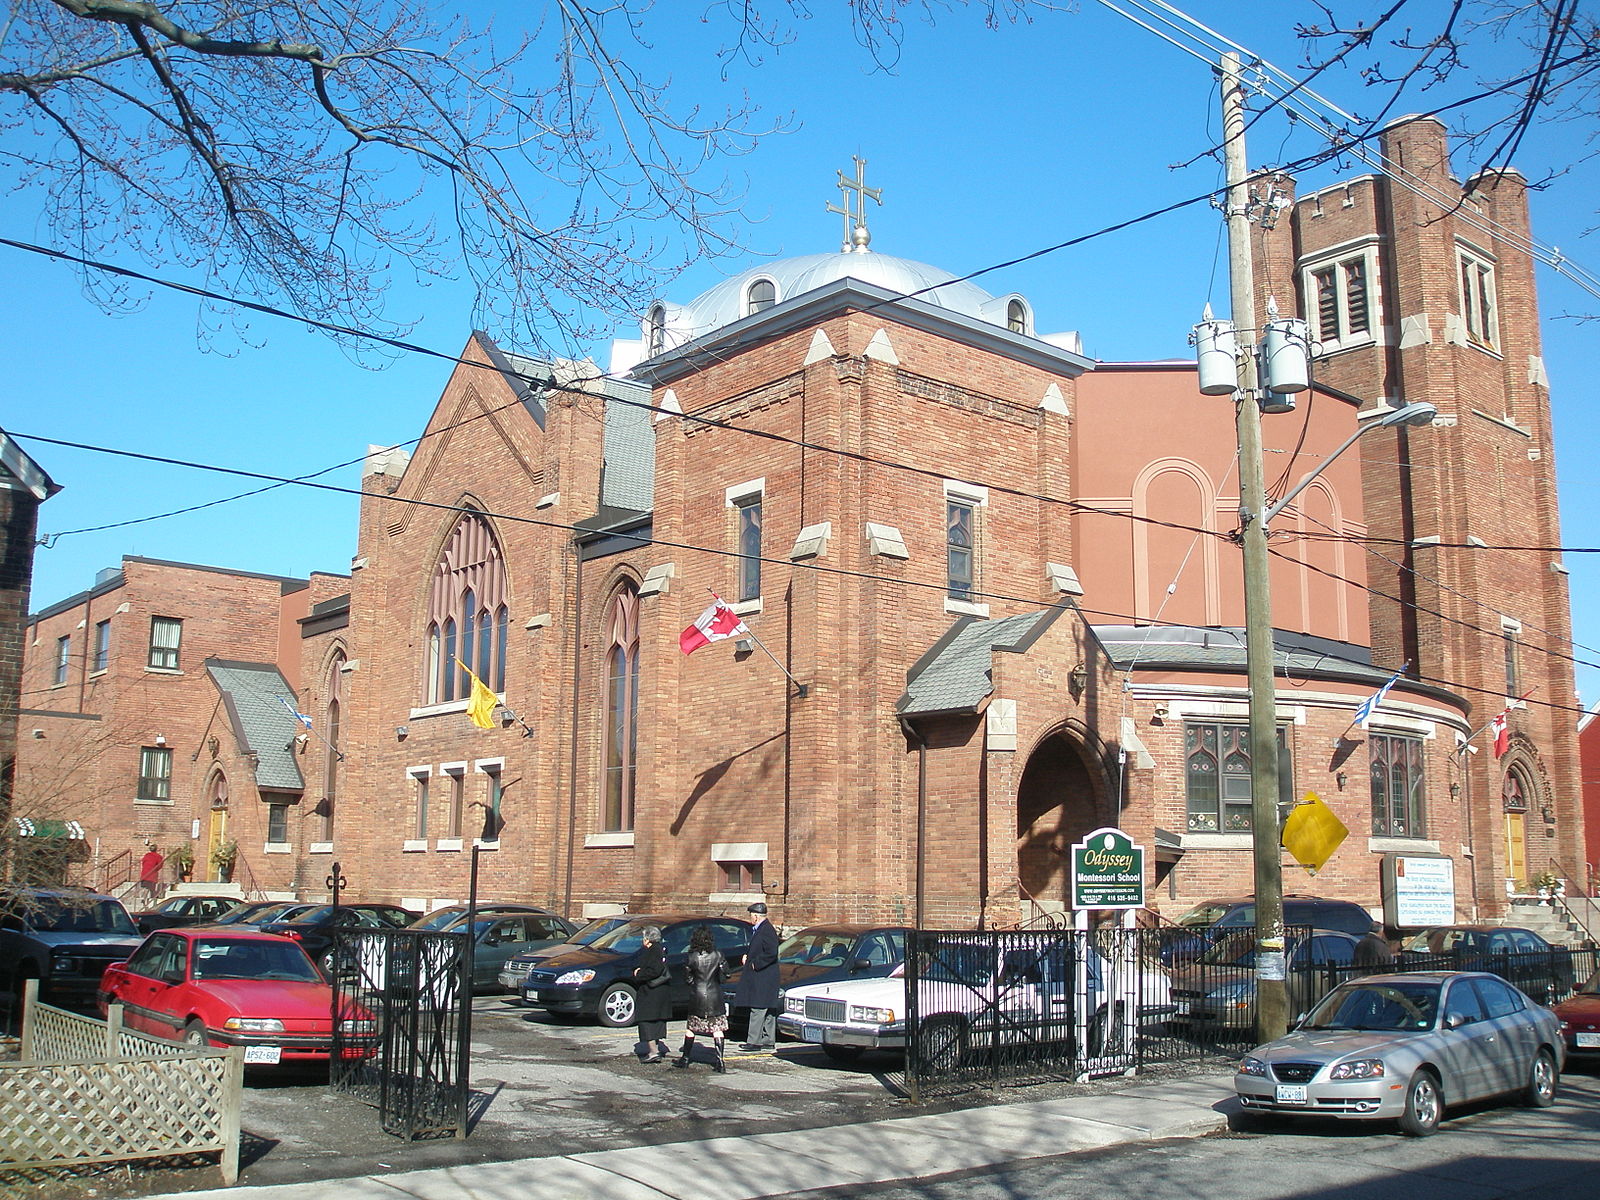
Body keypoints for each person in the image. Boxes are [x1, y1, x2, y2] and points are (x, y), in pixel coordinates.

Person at [673, 925, 728, 1072]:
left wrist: (694, 981)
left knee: (692, 1027)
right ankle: (720, 1061)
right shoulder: (718, 955)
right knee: (717, 1028)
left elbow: (688, 979)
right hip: (714, 995)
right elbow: (725, 975)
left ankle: (685, 1059)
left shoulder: (691, 957)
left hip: (698, 995)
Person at [735, 901, 779, 1051]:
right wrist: (748, 956)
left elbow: (772, 952)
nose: (750, 918)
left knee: (759, 1008)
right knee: (767, 1010)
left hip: (764, 976)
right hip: (763, 976)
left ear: (755, 916)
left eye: (751, 916)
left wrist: (755, 963)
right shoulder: (761, 929)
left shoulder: (766, 930)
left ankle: (754, 1041)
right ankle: (768, 1040)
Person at [632, 925, 672, 1062]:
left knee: (646, 1021)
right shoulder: (660, 949)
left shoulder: (652, 951)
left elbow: (654, 970)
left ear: (647, 939)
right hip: (660, 992)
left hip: (651, 992)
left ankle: (653, 1052)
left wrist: (639, 974)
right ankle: (655, 1049)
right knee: (655, 1021)